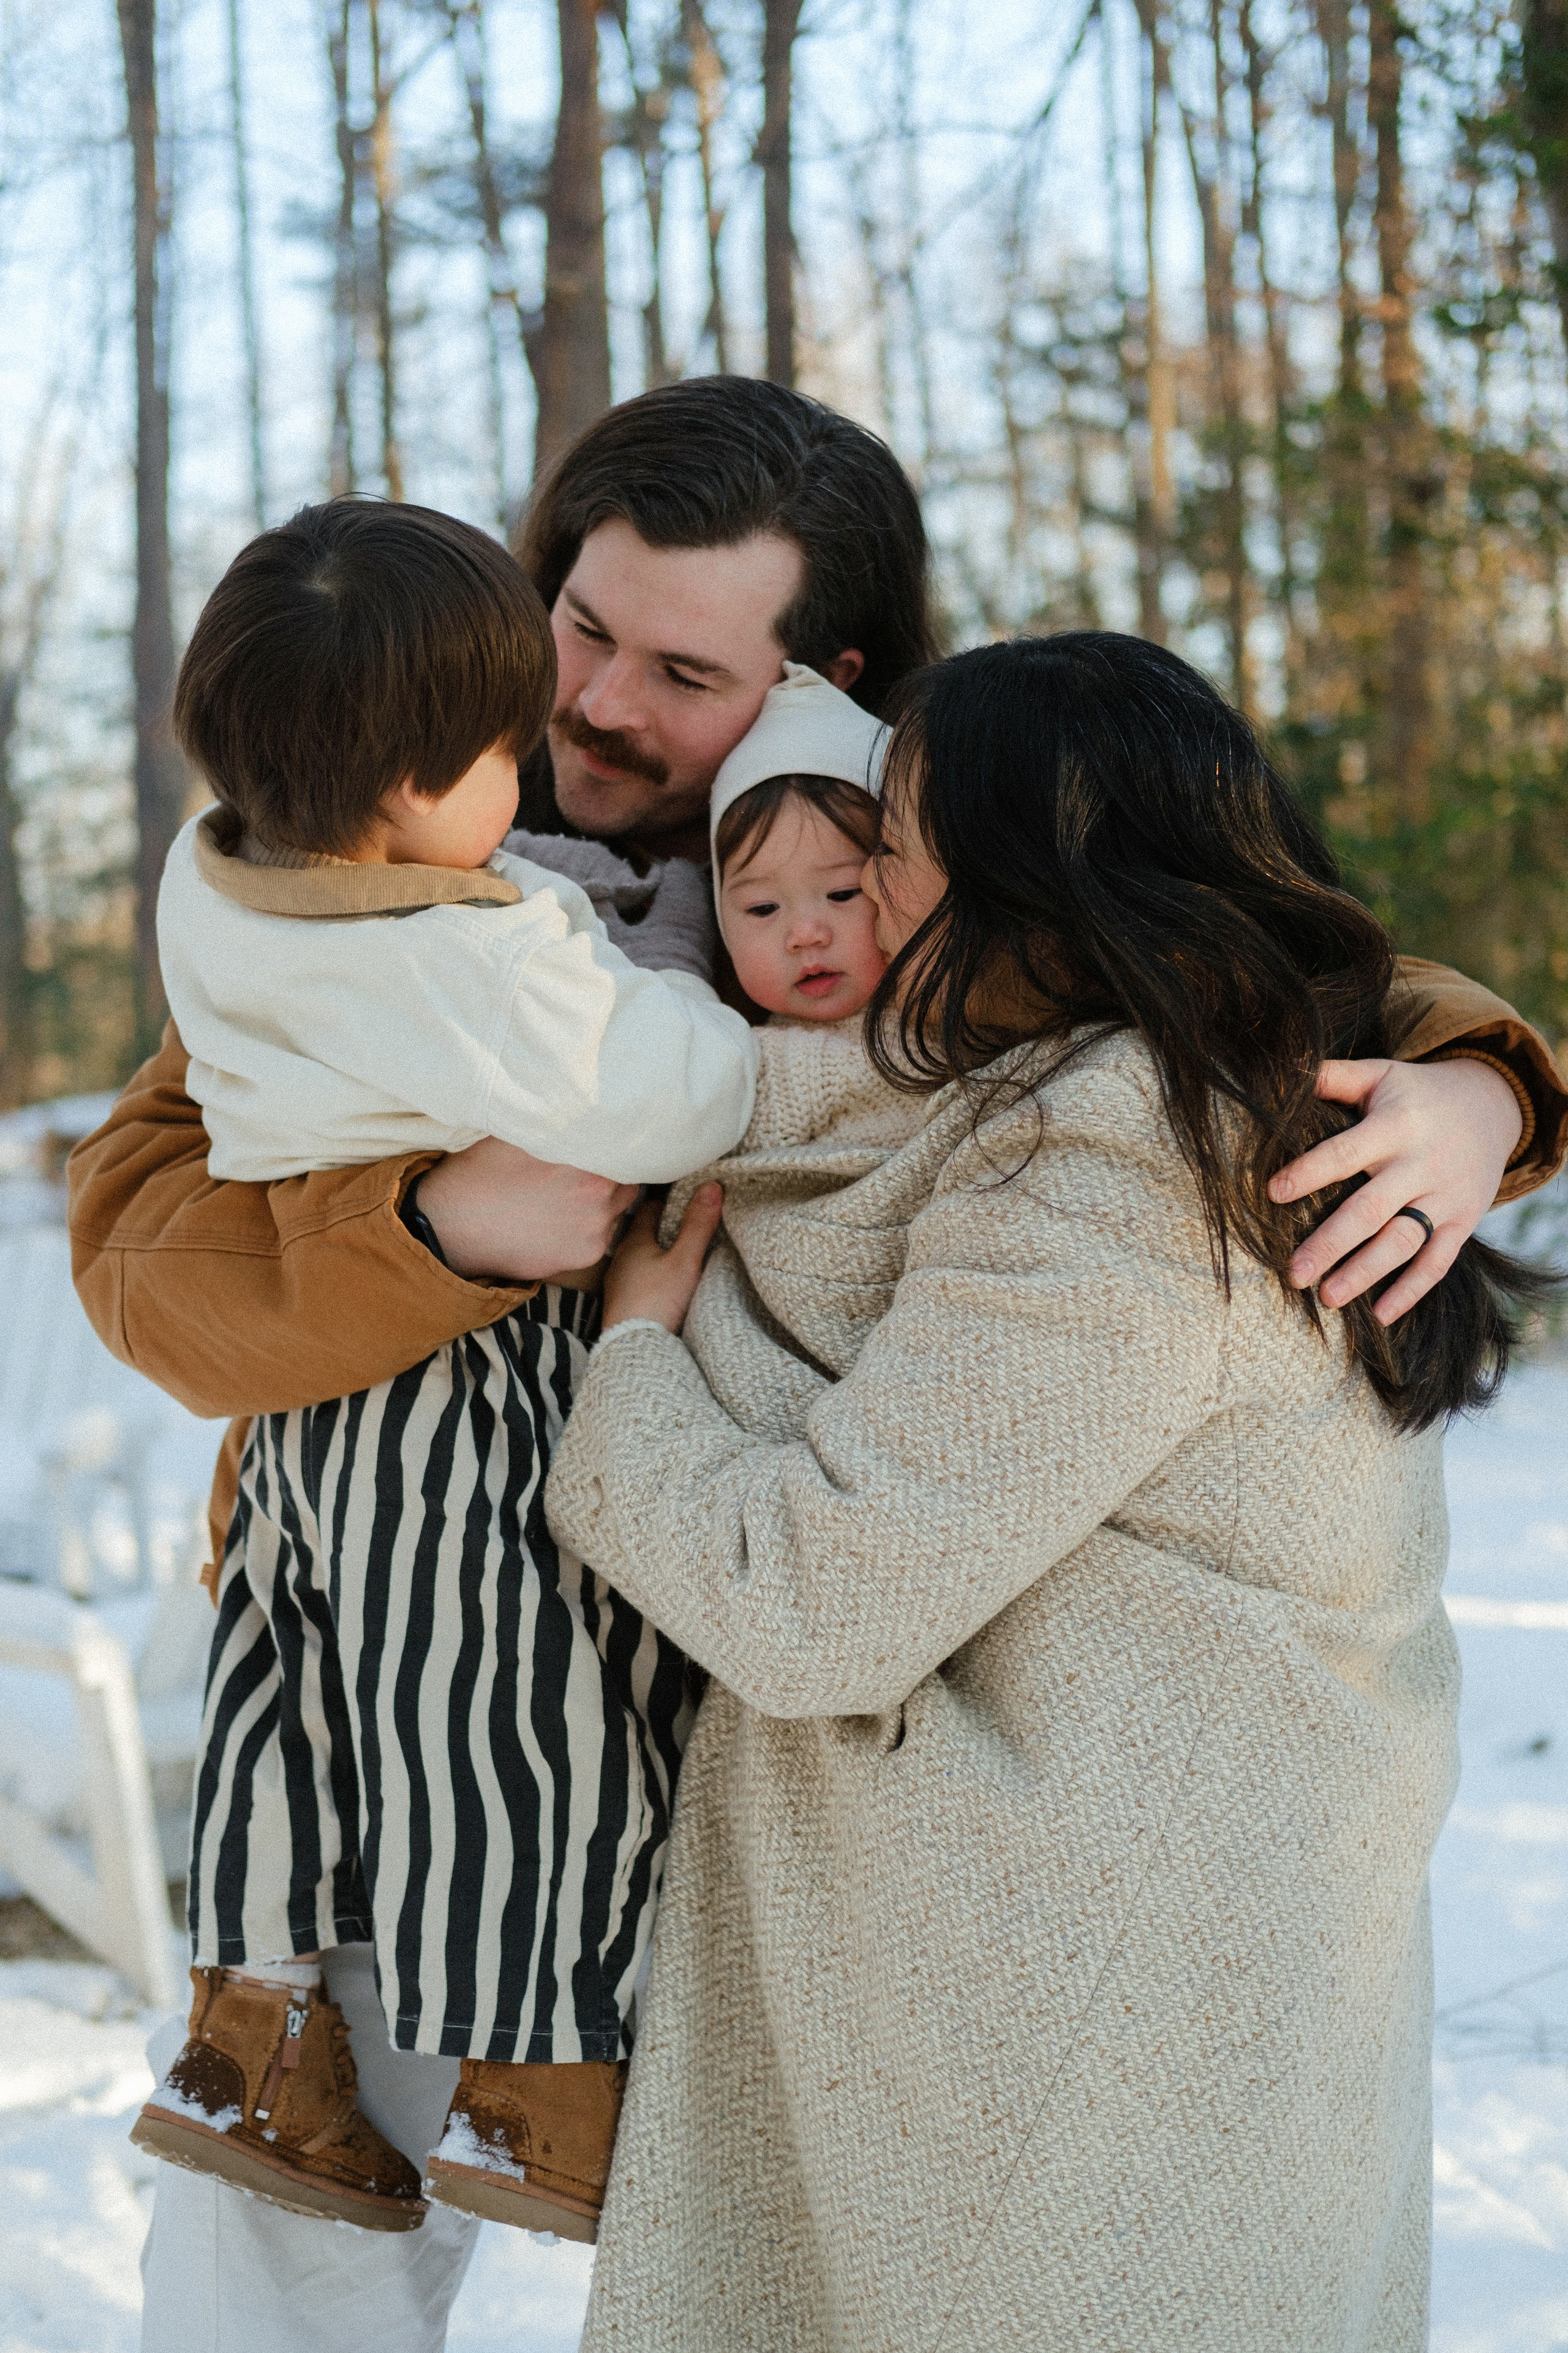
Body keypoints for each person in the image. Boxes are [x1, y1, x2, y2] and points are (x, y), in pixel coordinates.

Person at [66, 380, 1566, 2352]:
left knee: (794, 2262)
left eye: (679, 669)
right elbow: (140, 1245)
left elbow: (1216, 940)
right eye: (577, 627)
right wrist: (429, 1227)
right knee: (291, 2241)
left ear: (822, 686)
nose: (593, 702)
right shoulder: (379, 853)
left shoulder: (886, 857)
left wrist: (1480, 1084)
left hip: (784, 1692)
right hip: (440, 1673)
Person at [542, 630, 1564, 2353]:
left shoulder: (1124, 1149)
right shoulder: (1221, 1071)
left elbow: (816, 1597)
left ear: (1029, 874)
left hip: (1091, 2034)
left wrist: (634, 1361)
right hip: (1195, 1997)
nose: (873, 879)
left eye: (903, 838)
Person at [134, 499, 757, 2242]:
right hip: (462, 1386)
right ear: (422, 788)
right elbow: (680, 1091)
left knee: (289, 1698)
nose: (541, 764)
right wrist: (686, 968)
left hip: (303, 1419)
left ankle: (250, 2036)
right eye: (508, 746)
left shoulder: (219, 874)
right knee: (506, 1713)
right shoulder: (471, 949)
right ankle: (538, 2081)